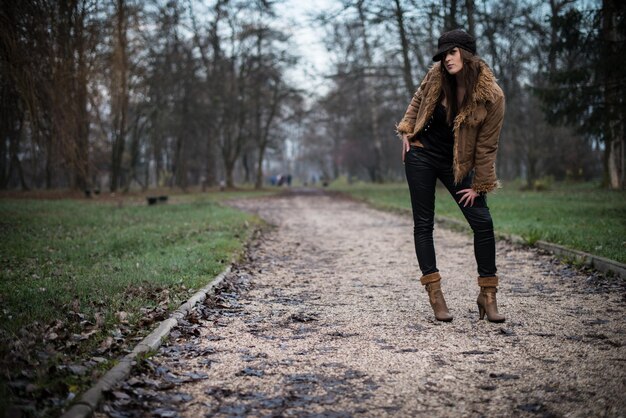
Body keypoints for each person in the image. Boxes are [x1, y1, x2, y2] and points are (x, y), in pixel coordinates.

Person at [396, 29, 505, 323]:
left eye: (452, 52)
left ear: (467, 53)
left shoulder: (492, 96)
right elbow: (418, 100)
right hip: (421, 154)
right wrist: (407, 130)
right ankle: (435, 295)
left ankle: (488, 294)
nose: (446, 59)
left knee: (483, 223)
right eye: (443, 54)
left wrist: (480, 185)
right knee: (424, 224)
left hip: (457, 164)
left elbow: (487, 145)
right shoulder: (436, 76)